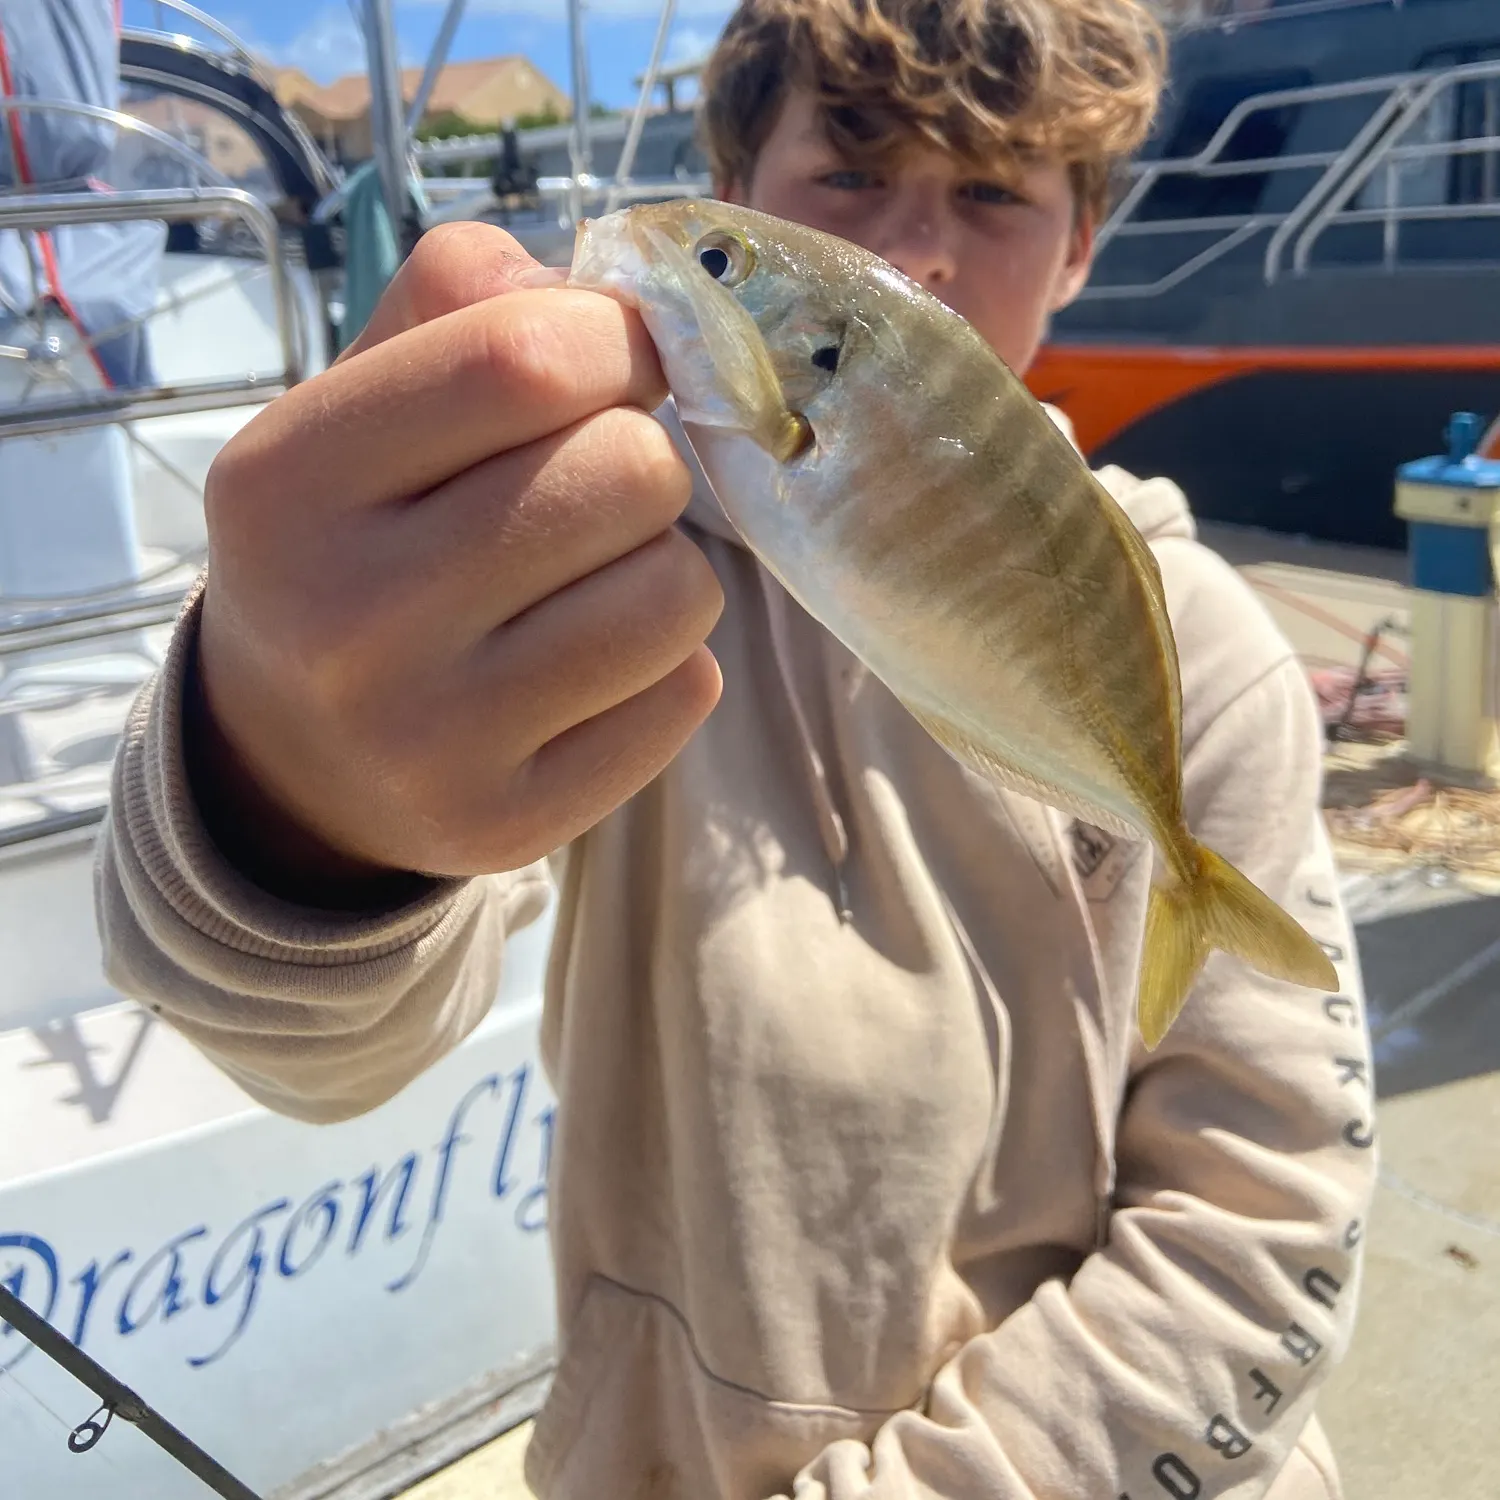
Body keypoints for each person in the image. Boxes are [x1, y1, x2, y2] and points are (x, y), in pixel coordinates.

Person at [96, 0, 1377, 1496]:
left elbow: (1269, 1214)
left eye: (991, 192)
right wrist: (292, 798)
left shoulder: (1198, 645)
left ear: (1084, 244)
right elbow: (324, 1051)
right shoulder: (572, 574)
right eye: (849, 174)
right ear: (737, 177)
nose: (918, 251)